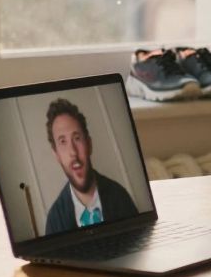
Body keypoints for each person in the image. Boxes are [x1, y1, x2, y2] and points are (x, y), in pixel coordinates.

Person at [43, 98, 139, 234]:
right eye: (63, 142)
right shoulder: (54, 221)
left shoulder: (120, 197)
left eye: (77, 138)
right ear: (56, 155)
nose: (73, 152)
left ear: (89, 144)